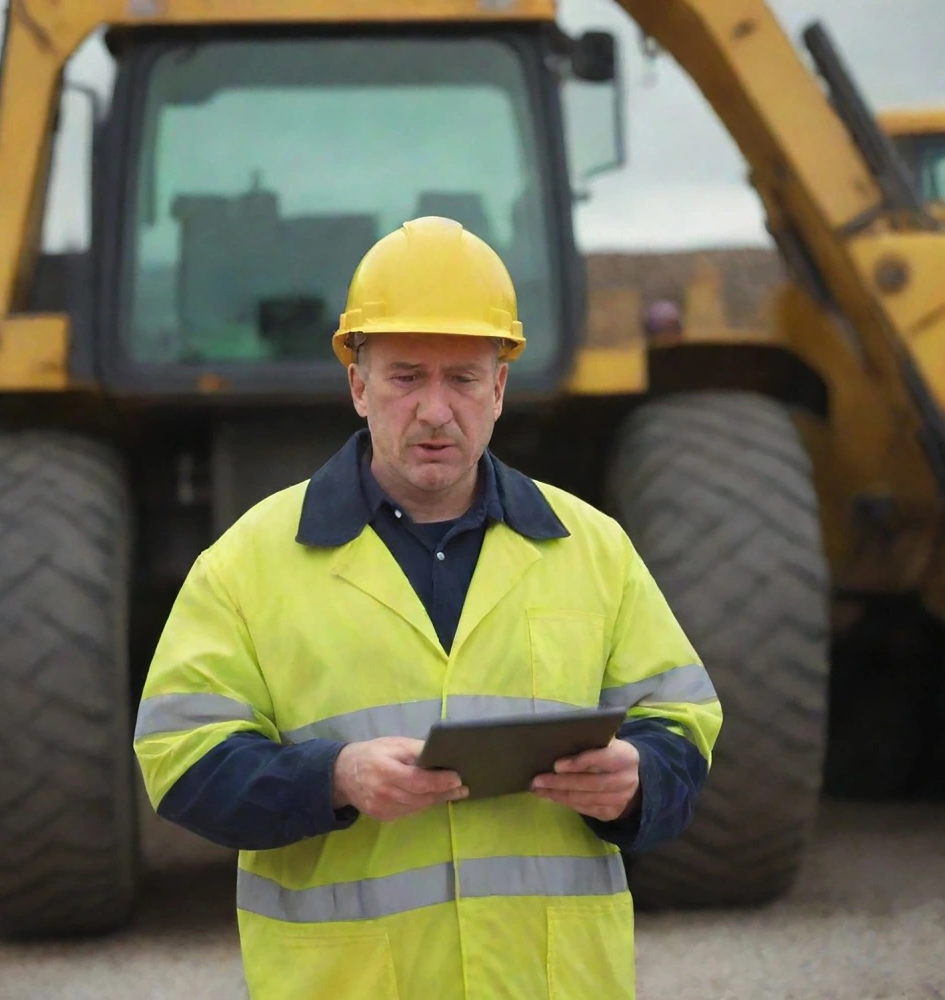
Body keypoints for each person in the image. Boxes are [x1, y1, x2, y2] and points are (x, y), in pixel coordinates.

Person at [133, 216, 723, 1000]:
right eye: (406, 377)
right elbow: (180, 762)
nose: (437, 410)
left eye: (464, 379)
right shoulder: (248, 564)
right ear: (359, 386)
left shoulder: (594, 550)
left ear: (499, 389)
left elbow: (681, 730)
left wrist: (640, 780)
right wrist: (334, 778)